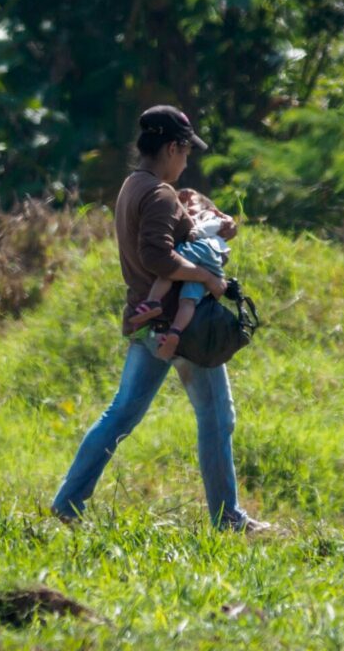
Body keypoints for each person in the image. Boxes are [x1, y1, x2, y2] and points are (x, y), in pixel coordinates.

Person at [51, 105, 270, 533]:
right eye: (186, 152)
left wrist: (207, 227)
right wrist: (206, 275)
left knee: (121, 414)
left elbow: (168, 239)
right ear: (172, 147)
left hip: (147, 319)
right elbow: (157, 255)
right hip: (182, 326)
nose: (187, 162)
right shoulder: (159, 193)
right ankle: (228, 519)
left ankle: (69, 501)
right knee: (217, 416)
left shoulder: (134, 186)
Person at [130, 187, 240, 361]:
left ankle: (153, 302)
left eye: (191, 206)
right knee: (188, 301)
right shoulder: (218, 231)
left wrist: (196, 232)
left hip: (201, 250)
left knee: (169, 269)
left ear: (209, 208)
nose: (187, 210)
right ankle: (175, 331)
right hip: (212, 263)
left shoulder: (209, 217)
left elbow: (214, 223)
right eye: (183, 206)